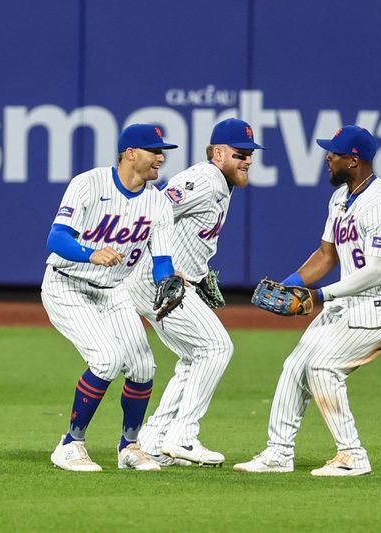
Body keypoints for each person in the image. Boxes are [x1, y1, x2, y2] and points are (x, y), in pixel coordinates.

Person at [234, 125, 381, 477]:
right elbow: (325, 255)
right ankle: (278, 454)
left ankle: (352, 455)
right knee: (294, 367)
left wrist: (318, 295)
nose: (327, 158)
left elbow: (377, 272)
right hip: (349, 304)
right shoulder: (340, 198)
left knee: (322, 367)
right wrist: (291, 285)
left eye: (333, 153)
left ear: (354, 160)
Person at [42, 123, 183, 472]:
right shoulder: (89, 183)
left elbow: (162, 262)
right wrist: (90, 253)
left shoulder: (158, 203)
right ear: (130, 153)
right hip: (67, 284)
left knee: (143, 367)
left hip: (114, 291)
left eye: (162, 151)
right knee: (106, 359)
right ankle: (70, 444)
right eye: (153, 150)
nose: (160, 157)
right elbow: (55, 238)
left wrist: (169, 283)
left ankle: (130, 447)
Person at [126, 118, 265, 467]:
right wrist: (161, 266)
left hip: (168, 281)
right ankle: (183, 435)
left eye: (250, 154)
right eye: (240, 153)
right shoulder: (202, 179)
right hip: (155, 280)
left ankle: (153, 440)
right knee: (217, 347)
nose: (247, 160)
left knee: (194, 357)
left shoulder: (219, 182)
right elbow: (149, 210)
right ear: (218, 153)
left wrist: (198, 276)